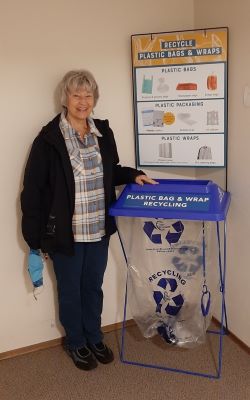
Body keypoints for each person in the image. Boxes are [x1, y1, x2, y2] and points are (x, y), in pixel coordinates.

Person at [21, 70, 156, 371]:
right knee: (70, 290)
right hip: (66, 235)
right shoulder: (49, 139)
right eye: (76, 95)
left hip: (98, 229)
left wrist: (133, 175)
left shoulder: (103, 133)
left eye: (88, 95)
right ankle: (76, 342)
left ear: (95, 99)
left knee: (93, 286)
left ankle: (94, 336)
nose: (82, 101)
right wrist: (33, 240)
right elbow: (33, 191)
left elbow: (112, 170)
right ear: (65, 98)